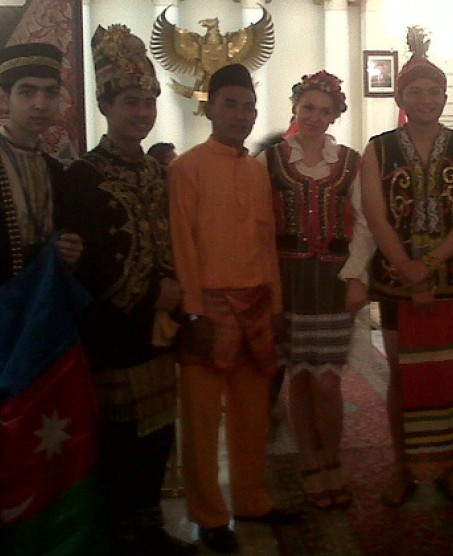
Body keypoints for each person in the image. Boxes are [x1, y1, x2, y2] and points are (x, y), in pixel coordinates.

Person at [54, 25, 195, 554]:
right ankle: (119, 534)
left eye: (149, 102)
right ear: (106, 105)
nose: (142, 112)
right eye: (131, 102)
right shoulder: (81, 176)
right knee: (119, 439)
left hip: (159, 330)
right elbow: (79, 263)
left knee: (157, 436)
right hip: (112, 334)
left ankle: (149, 524)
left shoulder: (159, 173)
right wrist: (144, 293)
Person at [168, 63, 297, 554]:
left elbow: (267, 246)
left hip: (258, 306)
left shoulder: (256, 170)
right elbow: (184, 244)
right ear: (209, 108)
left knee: (252, 416)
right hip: (208, 309)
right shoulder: (186, 168)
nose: (240, 114)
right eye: (230, 104)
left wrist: (278, 307)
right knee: (201, 421)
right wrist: (195, 314)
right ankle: (207, 513)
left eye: (248, 105)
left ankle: (252, 500)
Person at [361, 54, 453, 506]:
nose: (425, 98)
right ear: (400, 96)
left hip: (452, 278)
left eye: (434, 90)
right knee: (402, 374)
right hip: (396, 279)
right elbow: (376, 216)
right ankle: (404, 466)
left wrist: (428, 263)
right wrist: (408, 269)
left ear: (445, 96)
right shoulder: (378, 148)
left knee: (448, 371)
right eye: (415, 90)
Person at [257, 70, 373, 509]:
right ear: (295, 106)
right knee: (300, 377)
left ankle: (333, 461)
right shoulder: (268, 160)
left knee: (327, 381)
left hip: (332, 282)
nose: (315, 116)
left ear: (335, 114)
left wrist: (357, 275)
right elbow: (256, 225)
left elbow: (364, 222)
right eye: (309, 107)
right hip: (287, 282)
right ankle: (311, 464)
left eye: (325, 110)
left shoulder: (348, 160)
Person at [0, 42, 82, 283]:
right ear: (5, 99)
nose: (41, 104)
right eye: (27, 92)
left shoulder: (55, 170)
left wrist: (71, 252)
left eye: (50, 92)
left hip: (39, 304)